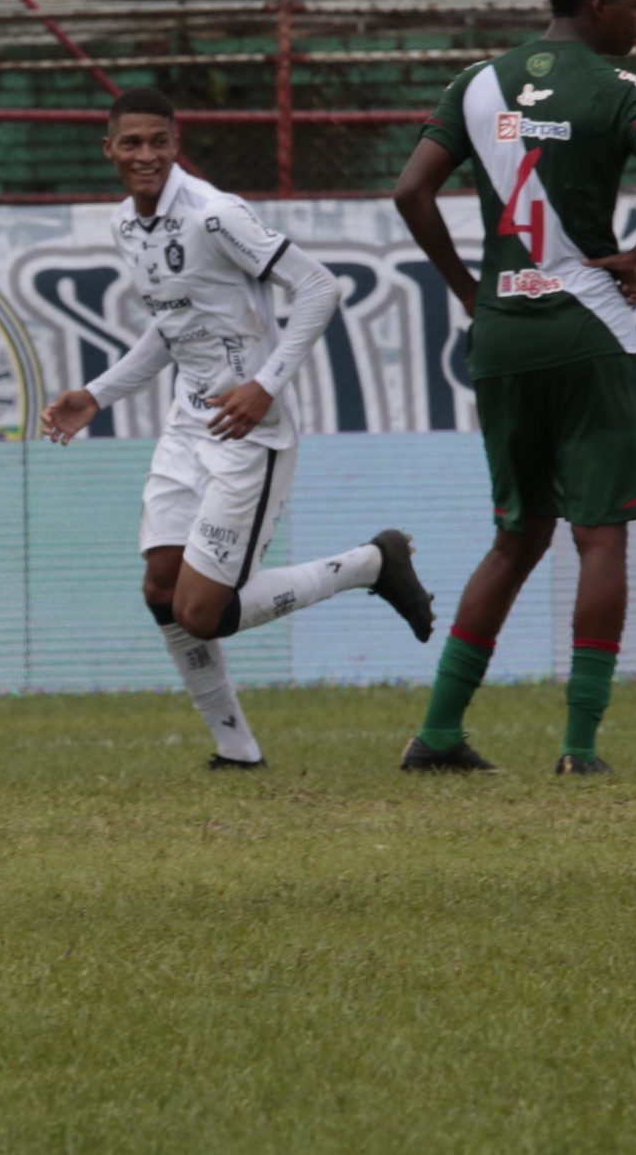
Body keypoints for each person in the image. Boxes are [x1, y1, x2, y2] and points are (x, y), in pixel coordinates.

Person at [39, 88, 438, 768]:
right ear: (107, 149)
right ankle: (235, 749)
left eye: (157, 142)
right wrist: (98, 395)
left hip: (250, 433)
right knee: (160, 585)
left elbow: (318, 288)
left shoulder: (216, 215)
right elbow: (173, 329)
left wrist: (264, 385)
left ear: (175, 142)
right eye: (130, 143)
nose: (146, 155)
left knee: (202, 611)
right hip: (187, 423)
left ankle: (372, 563)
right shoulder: (126, 227)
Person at [392, 0, 636, 777]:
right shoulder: (615, 85)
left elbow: (411, 188)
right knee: (599, 538)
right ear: (598, 4)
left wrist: (466, 286)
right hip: (586, 327)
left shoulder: (476, 80)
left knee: (516, 534)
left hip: (501, 333)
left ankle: (440, 732)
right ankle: (578, 747)